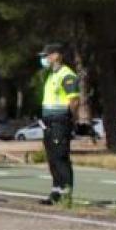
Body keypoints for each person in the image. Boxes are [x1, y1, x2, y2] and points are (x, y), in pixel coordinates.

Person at [38, 42, 80, 205]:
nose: (44, 59)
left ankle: (66, 193)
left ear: (56, 55)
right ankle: (56, 192)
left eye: (46, 55)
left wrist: (72, 119)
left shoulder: (67, 75)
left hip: (60, 121)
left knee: (61, 157)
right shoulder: (51, 75)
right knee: (52, 158)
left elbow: (74, 101)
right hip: (49, 122)